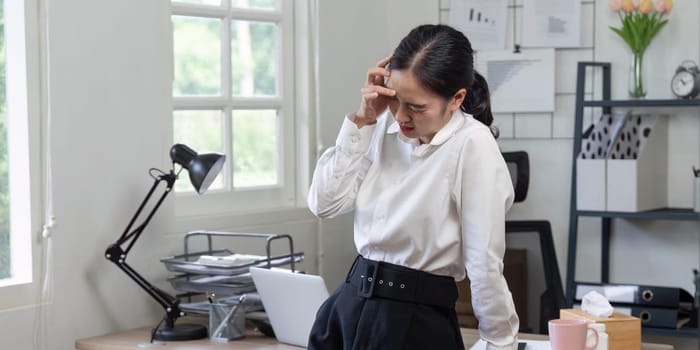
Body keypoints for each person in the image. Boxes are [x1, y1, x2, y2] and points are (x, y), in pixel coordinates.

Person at [306, 24, 519, 350]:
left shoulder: (472, 144)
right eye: (396, 100)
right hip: (346, 309)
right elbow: (324, 204)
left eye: (417, 107)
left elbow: (484, 261)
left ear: (456, 98)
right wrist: (363, 121)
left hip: (414, 325)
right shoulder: (381, 125)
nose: (402, 116)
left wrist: (498, 341)